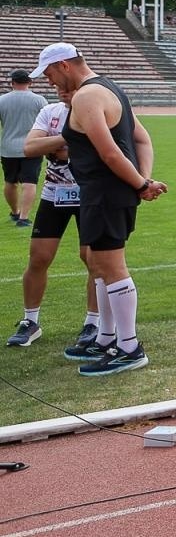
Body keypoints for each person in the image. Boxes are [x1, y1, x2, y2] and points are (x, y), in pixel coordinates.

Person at [31, 43, 166, 376]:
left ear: (63, 66)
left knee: (111, 266)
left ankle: (129, 348)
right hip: (103, 192)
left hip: (105, 193)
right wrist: (142, 180)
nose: (49, 82)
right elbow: (142, 139)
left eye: (48, 74)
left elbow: (110, 153)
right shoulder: (110, 88)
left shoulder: (88, 96)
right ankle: (106, 338)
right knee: (98, 264)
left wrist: (140, 184)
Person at [6, 84, 98, 352]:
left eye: (68, 88)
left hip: (90, 195)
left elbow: (102, 149)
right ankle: (30, 321)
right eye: (60, 88)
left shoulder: (94, 110)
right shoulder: (50, 111)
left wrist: (59, 144)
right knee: (39, 258)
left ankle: (92, 323)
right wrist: (66, 139)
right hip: (53, 195)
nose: (62, 92)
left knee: (93, 259)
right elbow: (30, 147)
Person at [1, 69, 47, 229]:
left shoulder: (2, 100)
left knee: (10, 182)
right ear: (30, 82)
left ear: (12, 82)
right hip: (32, 146)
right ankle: (24, 217)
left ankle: (14, 211)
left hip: (8, 148)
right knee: (29, 182)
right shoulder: (39, 100)